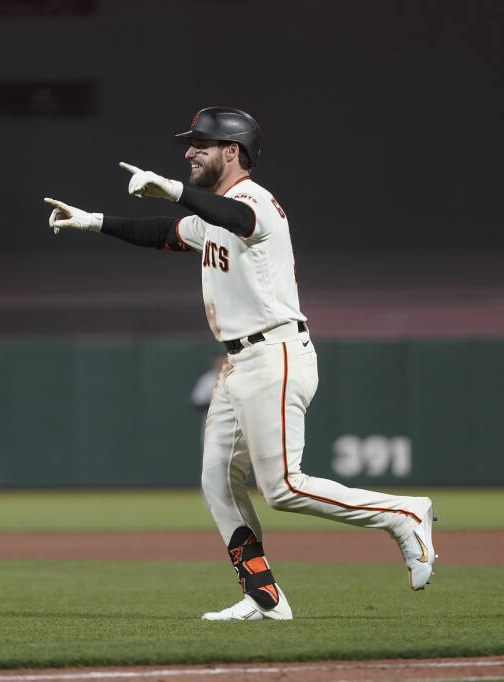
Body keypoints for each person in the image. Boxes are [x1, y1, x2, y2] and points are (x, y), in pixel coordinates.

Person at [44, 107, 436, 621]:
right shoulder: (214, 215)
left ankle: (404, 514)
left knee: (283, 488)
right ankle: (262, 596)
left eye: (201, 144)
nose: (189, 152)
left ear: (232, 151)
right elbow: (163, 231)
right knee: (217, 480)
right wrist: (94, 221)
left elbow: (239, 220)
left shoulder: (255, 201)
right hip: (239, 364)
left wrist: (173, 189)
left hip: (275, 353)